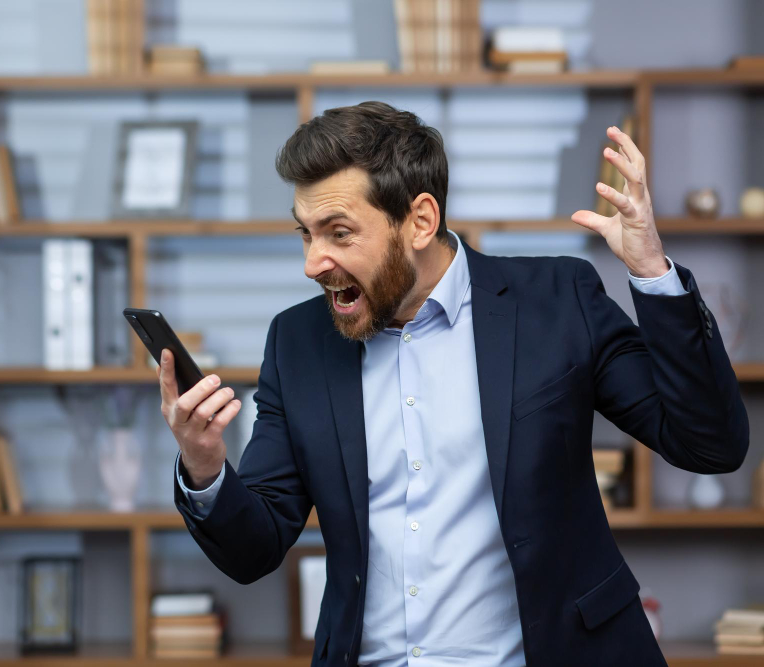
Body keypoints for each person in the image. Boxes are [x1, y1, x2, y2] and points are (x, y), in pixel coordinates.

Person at [156, 101, 748, 666]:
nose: (313, 262)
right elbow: (253, 549)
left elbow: (710, 443)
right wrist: (205, 467)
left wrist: (652, 274)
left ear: (420, 220)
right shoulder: (298, 343)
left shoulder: (557, 301)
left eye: (338, 233)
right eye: (305, 234)